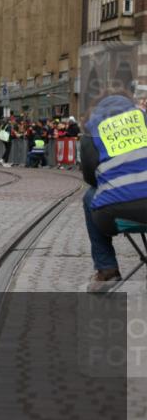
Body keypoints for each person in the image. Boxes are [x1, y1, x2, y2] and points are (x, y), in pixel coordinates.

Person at [80, 94, 147, 292]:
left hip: (113, 216)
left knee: (89, 197)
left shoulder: (91, 131)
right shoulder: (144, 118)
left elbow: (90, 178)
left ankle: (107, 269)